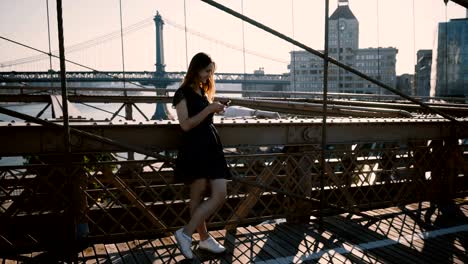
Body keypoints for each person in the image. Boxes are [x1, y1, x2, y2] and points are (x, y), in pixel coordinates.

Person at [171, 52, 231, 259]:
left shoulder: (203, 91)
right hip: (195, 148)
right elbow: (186, 125)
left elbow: (203, 117)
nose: (209, 76)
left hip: (211, 146)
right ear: (195, 69)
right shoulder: (182, 93)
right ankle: (203, 240)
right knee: (197, 196)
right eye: (207, 71)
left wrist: (215, 108)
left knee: (220, 194)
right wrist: (209, 110)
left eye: (211, 72)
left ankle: (186, 234)